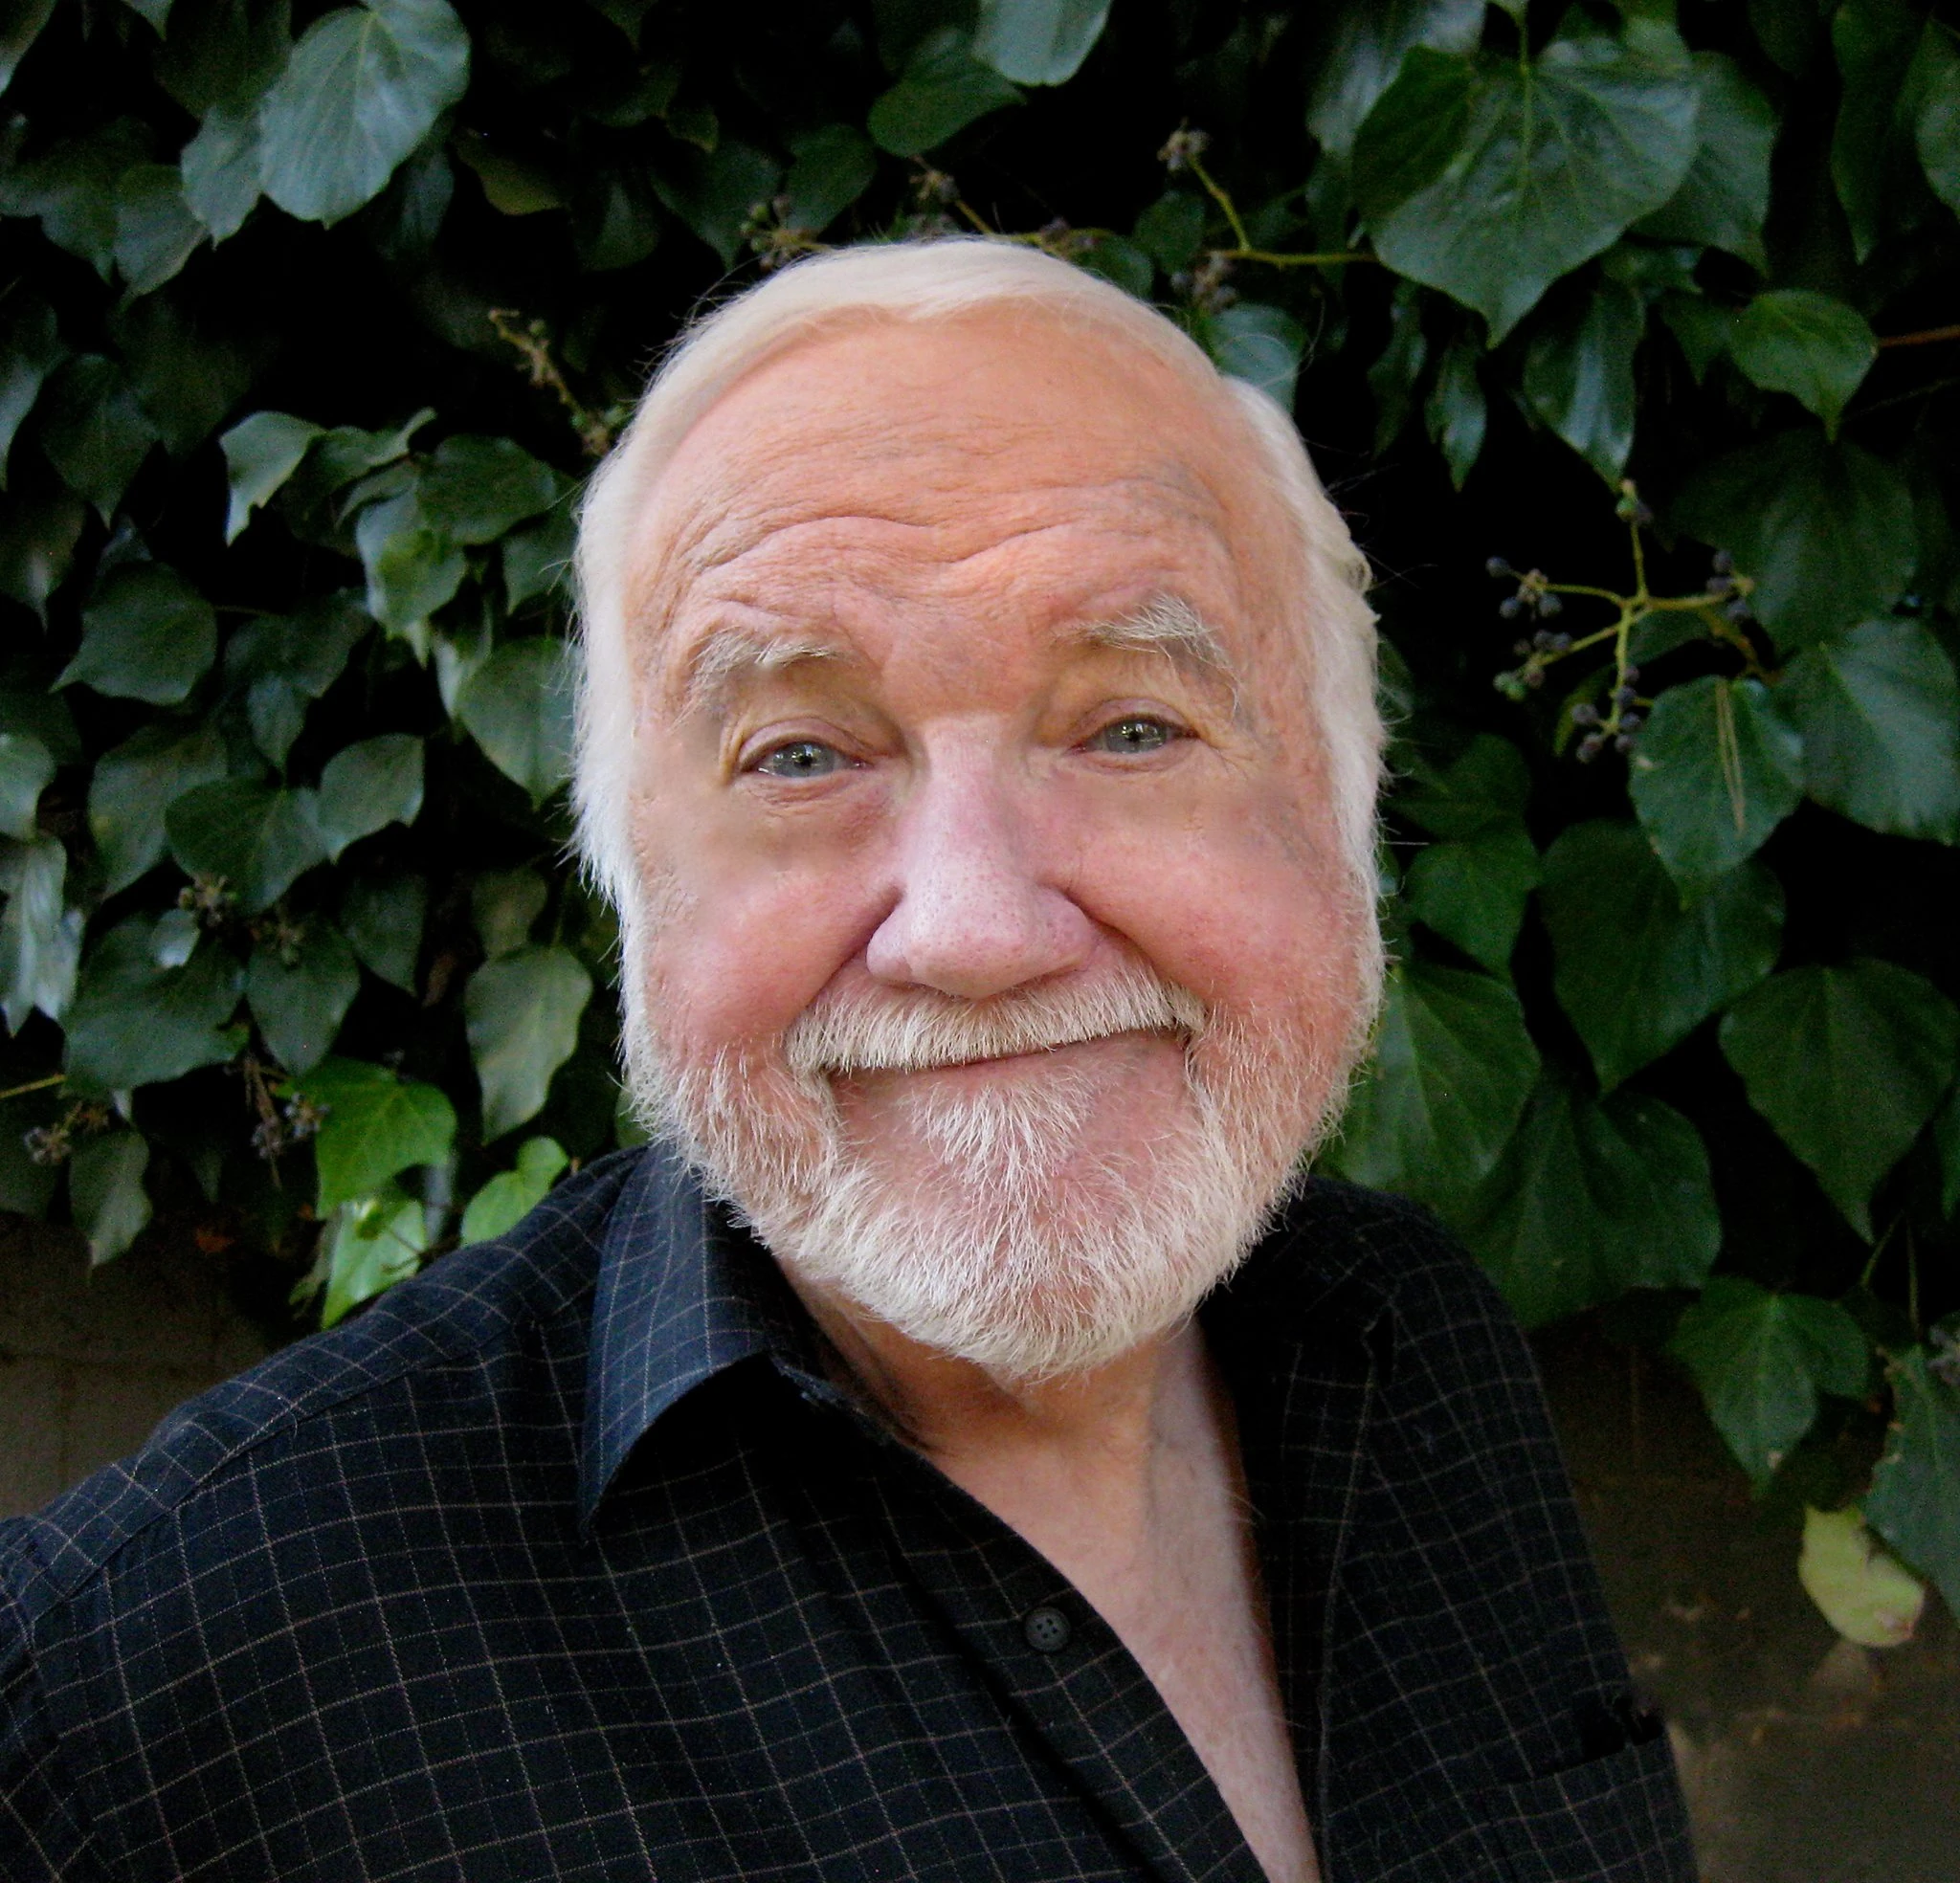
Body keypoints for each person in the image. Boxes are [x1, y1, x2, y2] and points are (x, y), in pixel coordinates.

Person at [0, 241, 1693, 1882]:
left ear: (1343, 809)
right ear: (633, 887)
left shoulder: (1415, 1343)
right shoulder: (129, 1695)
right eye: (799, 755)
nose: (974, 929)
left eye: (1133, 727)